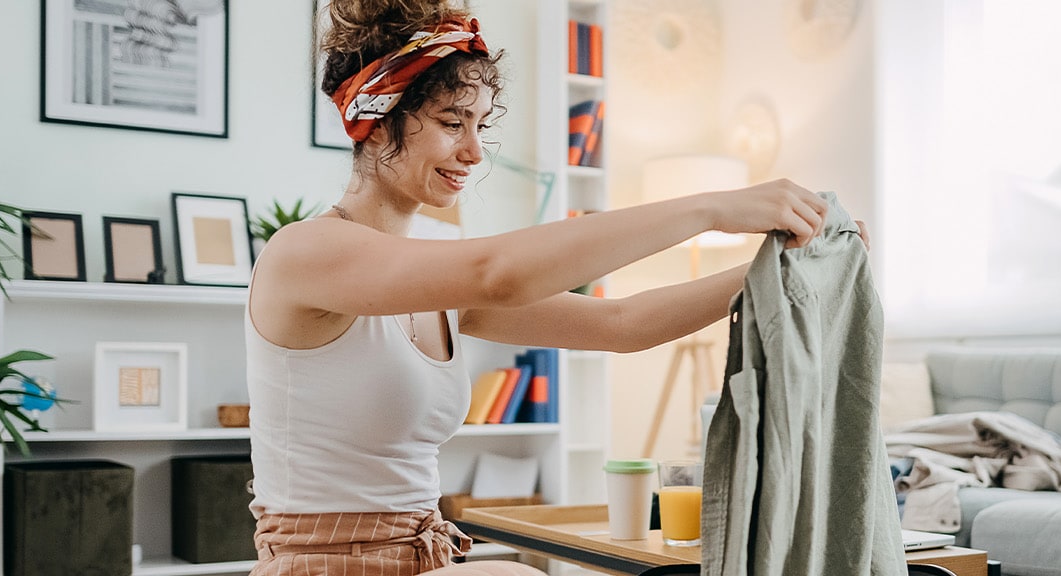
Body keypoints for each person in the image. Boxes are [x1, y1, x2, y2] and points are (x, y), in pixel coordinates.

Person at [245, 1, 844, 574]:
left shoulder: (433, 280)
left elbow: (621, 325)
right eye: (453, 123)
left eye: (479, 124)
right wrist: (714, 208)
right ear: (375, 124)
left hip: (423, 556)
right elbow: (499, 273)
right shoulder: (304, 252)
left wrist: (785, 266)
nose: (474, 151)